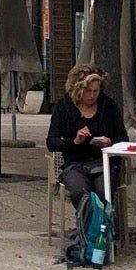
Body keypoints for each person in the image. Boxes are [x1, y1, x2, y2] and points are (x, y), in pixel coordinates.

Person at [46, 63, 128, 208]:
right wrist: (75, 141)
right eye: (87, 91)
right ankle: (91, 228)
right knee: (79, 192)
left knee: (104, 191)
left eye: (95, 91)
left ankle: (94, 228)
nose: (92, 96)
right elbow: (51, 143)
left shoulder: (108, 106)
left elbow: (123, 138)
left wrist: (109, 141)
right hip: (75, 164)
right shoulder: (63, 107)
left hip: (104, 164)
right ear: (77, 90)